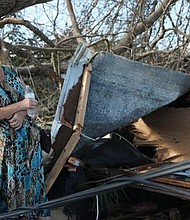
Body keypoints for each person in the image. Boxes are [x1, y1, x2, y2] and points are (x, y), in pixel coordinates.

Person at [0, 40, 51, 219]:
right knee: (9, 198)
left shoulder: (11, 72)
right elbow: (22, 103)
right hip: (5, 155)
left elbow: (31, 103)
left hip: (28, 151)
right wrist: (19, 106)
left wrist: (23, 112)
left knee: (33, 194)